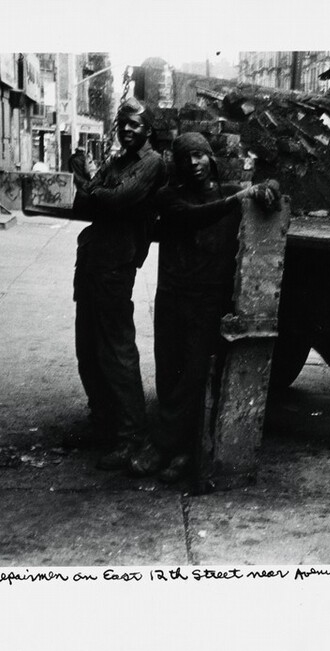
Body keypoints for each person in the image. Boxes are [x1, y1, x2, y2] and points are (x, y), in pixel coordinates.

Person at [128, 132, 280, 481]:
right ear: (177, 166)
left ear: (210, 159)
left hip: (207, 299)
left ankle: (171, 449)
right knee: (169, 373)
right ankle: (175, 449)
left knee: (195, 376)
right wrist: (241, 197)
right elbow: (196, 216)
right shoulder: (169, 198)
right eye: (186, 158)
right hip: (172, 296)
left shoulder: (227, 194)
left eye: (199, 156)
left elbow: (269, 183)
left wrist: (266, 186)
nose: (193, 164)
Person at [69, 98, 167, 470]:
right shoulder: (117, 161)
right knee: (89, 349)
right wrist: (91, 190)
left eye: (135, 124)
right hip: (93, 262)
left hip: (116, 266)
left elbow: (115, 200)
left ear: (148, 129)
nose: (127, 129)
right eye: (123, 123)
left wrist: (88, 188)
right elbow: (86, 204)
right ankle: (104, 424)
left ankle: (132, 437)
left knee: (116, 352)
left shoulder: (151, 163)